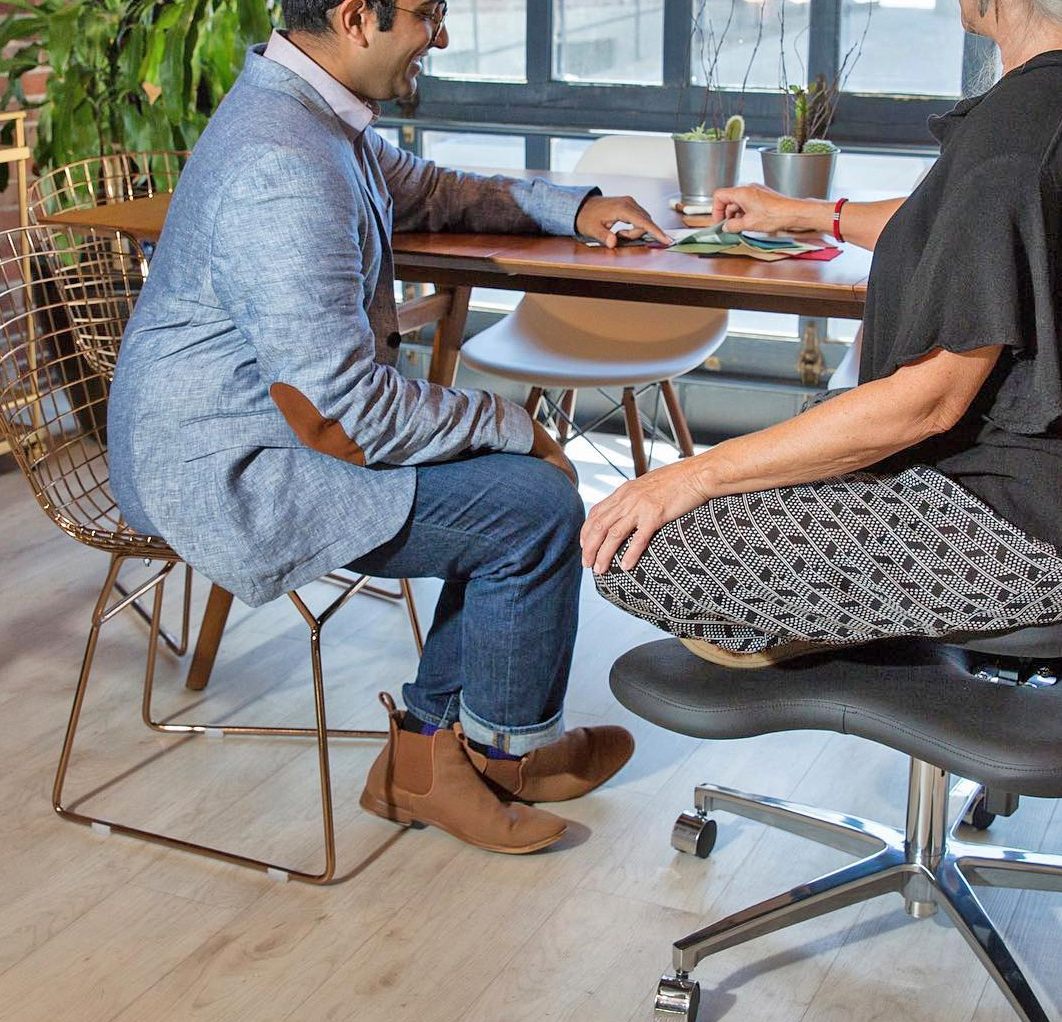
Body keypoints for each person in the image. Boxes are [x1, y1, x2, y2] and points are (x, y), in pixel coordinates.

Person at [108, 0, 672, 854]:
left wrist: (576, 206)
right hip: (232, 466)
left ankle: (445, 756)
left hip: (262, 429)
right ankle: (490, 757)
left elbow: (433, 190)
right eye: (426, 14)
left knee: (512, 494)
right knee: (532, 506)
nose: (439, 37)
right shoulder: (283, 162)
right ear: (355, 16)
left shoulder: (308, 113)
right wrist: (515, 426)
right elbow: (342, 413)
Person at [584, 0, 1062, 668]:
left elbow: (927, 402)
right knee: (804, 440)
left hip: (1029, 527)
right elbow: (975, 223)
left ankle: (855, 627)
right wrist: (808, 215)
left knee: (637, 554)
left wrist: (691, 476)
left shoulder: (1014, 134)